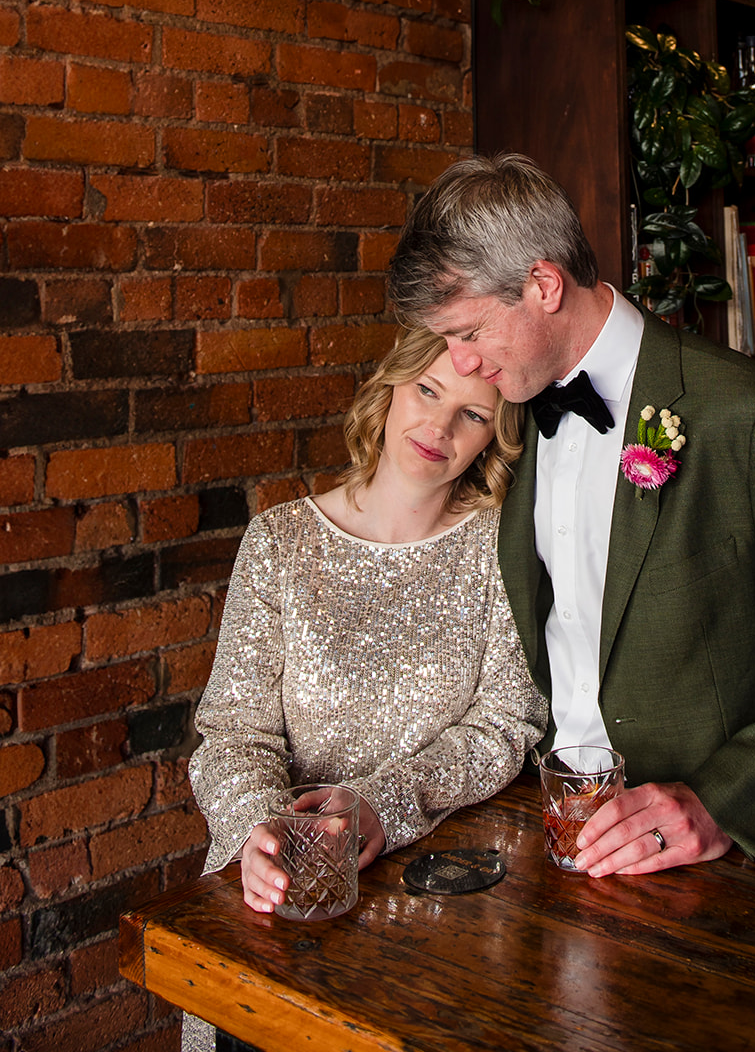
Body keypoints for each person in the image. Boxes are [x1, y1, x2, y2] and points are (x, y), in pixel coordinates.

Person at [387, 153, 755, 877]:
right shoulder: (510, 423)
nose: (458, 363)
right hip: (555, 837)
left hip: (727, 866)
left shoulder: (747, 414)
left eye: (469, 332)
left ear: (543, 284)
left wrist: (727, 803)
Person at [183, 327, 546, 1051]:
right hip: (281, 901)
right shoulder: (280, 542)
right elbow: (233, 733)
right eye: (428, 391)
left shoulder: (499, 547)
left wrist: (384, 804)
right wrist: (263, 832)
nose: (439, 427)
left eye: (473, 415)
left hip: (437, 906)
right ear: (388, 391)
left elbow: (508, 721)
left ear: (492, 440)